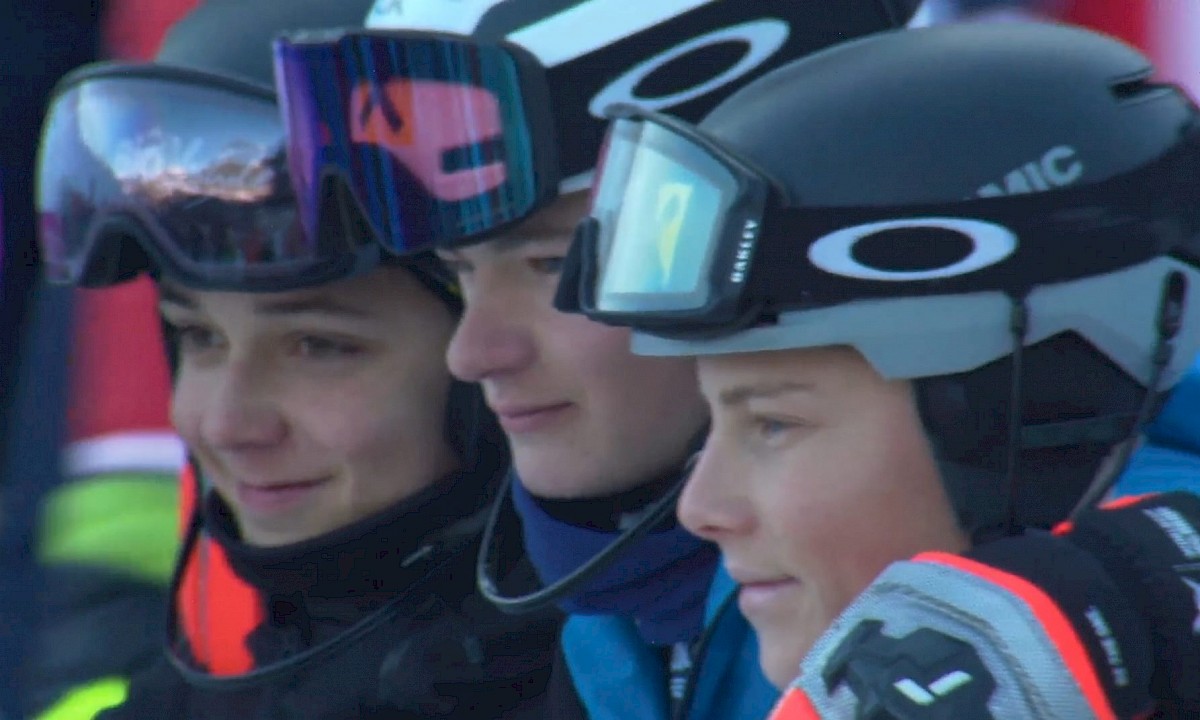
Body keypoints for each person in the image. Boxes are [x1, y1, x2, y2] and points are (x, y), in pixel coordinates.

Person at [271, 1, 923, 717]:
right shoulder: (609, 626)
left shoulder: (920, 639)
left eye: (554, 266)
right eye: (459, 271)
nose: (471, 354)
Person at [554, 20, 1200, 718]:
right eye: (710, 425)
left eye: (773, 424)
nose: (700, 510)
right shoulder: (650, 646)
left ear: (1031, 416)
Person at [34, 0, 563, 717]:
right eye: (199, 337)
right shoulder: (222, 679)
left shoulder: (620, 683)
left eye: (318, 346)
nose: (227, 425)